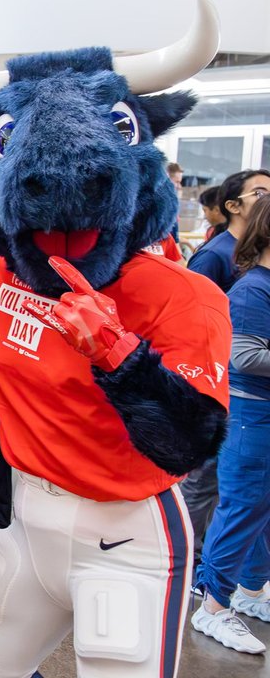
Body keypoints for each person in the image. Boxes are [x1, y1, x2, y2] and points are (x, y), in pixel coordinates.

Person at [180, 169, 270, 573]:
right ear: (234, 205)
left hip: (234, 389)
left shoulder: (247, 260)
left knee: (230, 490)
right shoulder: (217, 256)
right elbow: (190, 321)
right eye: (261, 192)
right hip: (215, 386)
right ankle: (186, 560)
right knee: (204, 483)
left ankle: (219, 568)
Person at [192, 194, 270, 653]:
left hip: (261, 414)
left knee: (261, 507)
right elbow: (243, 355)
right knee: (243, 505)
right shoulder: (252, 290)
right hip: (250, 416)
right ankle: (214, 606)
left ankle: (252, 589)